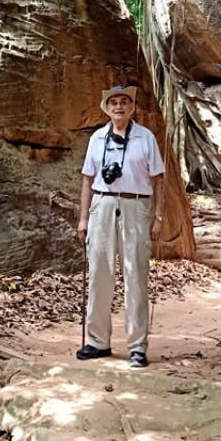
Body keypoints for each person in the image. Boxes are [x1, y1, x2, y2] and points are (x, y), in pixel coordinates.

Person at [76, 84, 165, 369]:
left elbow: (159, 178)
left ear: (132, 107)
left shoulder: (145, 138)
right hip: (102, 205)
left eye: (124, 102)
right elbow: (88, 179)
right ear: (106, 108)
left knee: (135, 275)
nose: (119, 107)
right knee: (99, 272)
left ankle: (137, 346)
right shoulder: (97, 138)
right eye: (113, 102)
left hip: (136, 205)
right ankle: (97, 341)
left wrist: (158, 215)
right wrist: (83, 219)